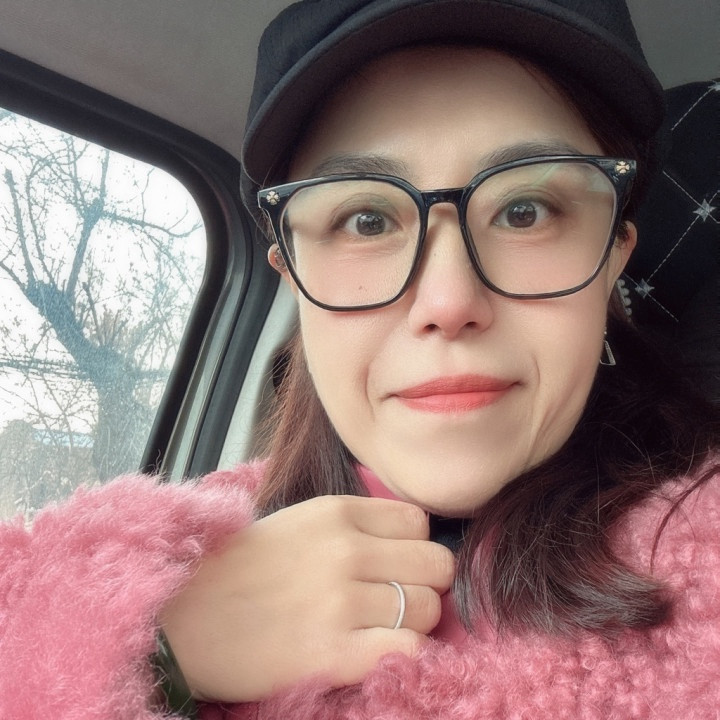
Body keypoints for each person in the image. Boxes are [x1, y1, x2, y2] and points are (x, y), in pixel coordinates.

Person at [2, 1, 719, 718]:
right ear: (293, 277)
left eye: (523, 210)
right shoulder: (160, 561)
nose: (448, 300)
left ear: (611, 257)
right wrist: (156, 654)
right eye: (366, 221)